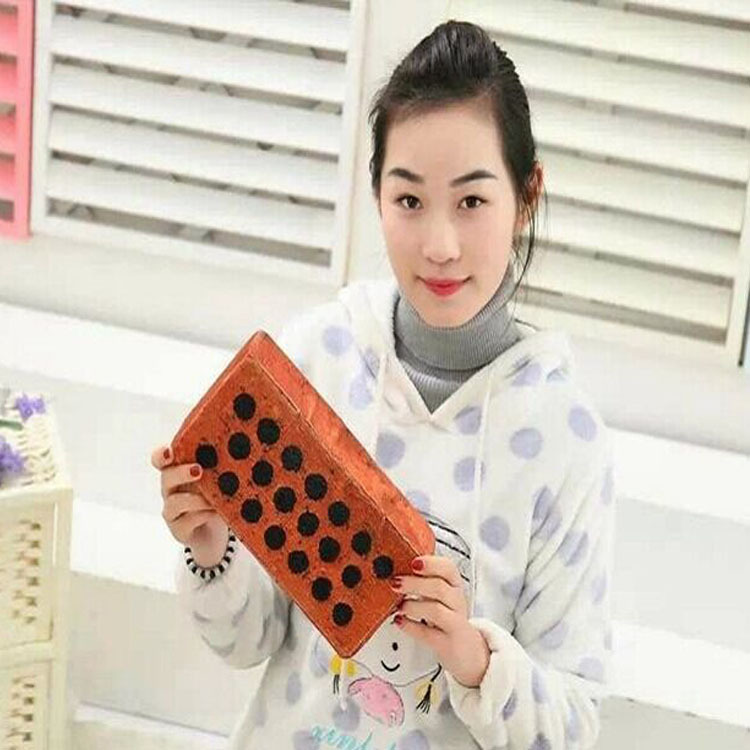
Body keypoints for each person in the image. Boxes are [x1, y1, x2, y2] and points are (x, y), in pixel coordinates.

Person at [151, 20, 616, 750]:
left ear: (526, 196)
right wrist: (213, 548)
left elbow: (572, 726)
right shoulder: (318, 357)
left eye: (472, 201)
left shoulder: (563, 436)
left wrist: (472, 657)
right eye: (409, 200)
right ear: (376, 195)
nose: (439, 245)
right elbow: (250, 641)